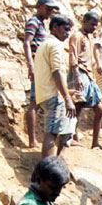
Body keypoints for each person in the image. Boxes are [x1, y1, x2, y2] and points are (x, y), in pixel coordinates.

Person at [35, 15, 76, 158]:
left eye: (69, 31)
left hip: (44, 93)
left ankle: (53, 165)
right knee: (51, 134)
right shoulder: (55, 45)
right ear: (54, 27)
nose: (67, 34)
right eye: (65, 29)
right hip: (53, 95)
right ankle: (47, 173)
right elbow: (57, 72)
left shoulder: (44, 45)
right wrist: (67, 98)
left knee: (53, 130)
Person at [23, 0, 60, 149]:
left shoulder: (42, 24)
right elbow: (26, 42)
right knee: (34, 102)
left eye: (51, 8)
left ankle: (34, 139)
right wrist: (31, 65)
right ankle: (32, 140)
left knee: (37, 101)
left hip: (41, 67)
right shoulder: (34, 22)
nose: (50, 11)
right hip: (37, 67)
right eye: (47, 8)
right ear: (39, 7)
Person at [68, 12, 102, 149]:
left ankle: (95, 142)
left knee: (100, 109)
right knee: (77, 107)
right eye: (92, 24)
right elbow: (73, 56)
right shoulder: (77, 36)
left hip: (89, 76)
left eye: (96, 25)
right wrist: (76, 76)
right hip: (80, 74)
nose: (94, 28)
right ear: (84, 21)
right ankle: (70, 136)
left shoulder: (88, 37)